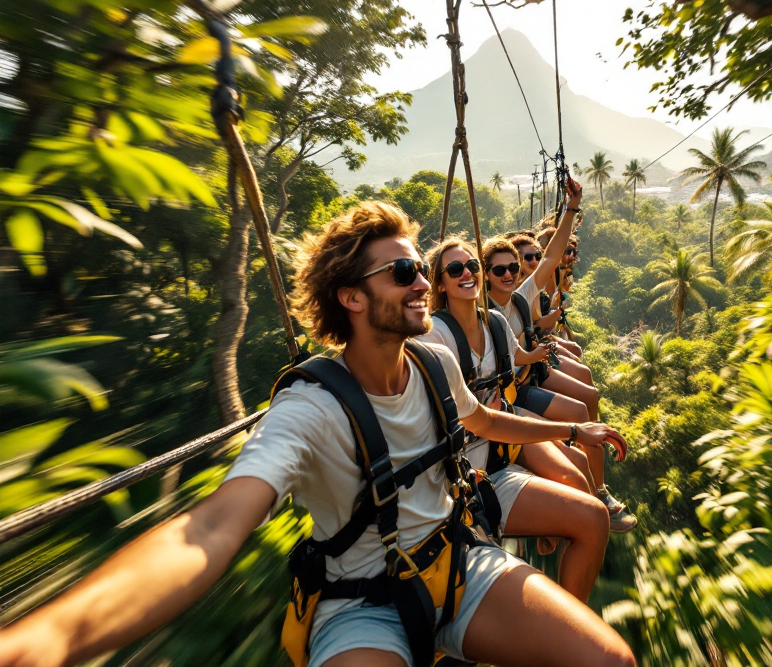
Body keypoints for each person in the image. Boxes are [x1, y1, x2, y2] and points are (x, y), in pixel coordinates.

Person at [0, 201, 635, 667]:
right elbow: (211, 527)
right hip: (362, 605)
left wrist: (577, 425)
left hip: (457, 561)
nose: (422, 284)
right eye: (403, 274)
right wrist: (54, 637)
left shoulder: (432, 363)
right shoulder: (310, 406)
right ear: (352, 299)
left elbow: (482, 420)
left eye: (421, 269)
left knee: (610, 661)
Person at [421, 237, 608, 596]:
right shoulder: (435, 338)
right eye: (455, 269)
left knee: (575, 477)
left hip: (501, 438)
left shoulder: (494, 322)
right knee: (576, 486)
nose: (467, 274)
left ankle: (566, 570)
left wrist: (539, 354)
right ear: (440, 283)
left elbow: (515, 357)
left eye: (471, 266)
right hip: (468, 460)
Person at [486, 180, 636, 532]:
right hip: (510, 392)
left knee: (584, 406)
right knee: (580, 411)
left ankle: (598, 489)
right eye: (500, 270)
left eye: (513, 268)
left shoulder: (520, 295)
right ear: (486, 275)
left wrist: (572, 207)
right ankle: (593, 496)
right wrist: (533, 350)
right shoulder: (482, 309)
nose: (510, 275)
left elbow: (551, 257)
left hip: (521, 382)